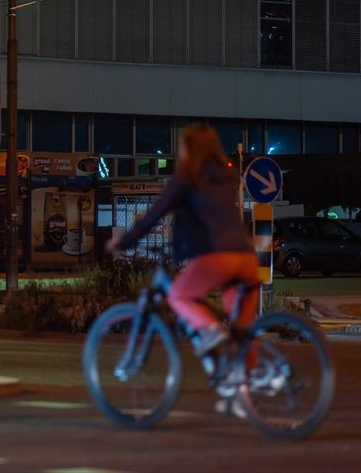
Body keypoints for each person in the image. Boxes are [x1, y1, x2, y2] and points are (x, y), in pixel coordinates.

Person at [105, 124, 259, 409]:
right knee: (241, 332)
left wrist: (123, 242)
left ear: (188, 149)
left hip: (217, 257)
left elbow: (155, 214)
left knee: (178, 296)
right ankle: (242, 392)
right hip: (247, 260)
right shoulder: (226, 176)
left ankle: (212, 332)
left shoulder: (187, 178)